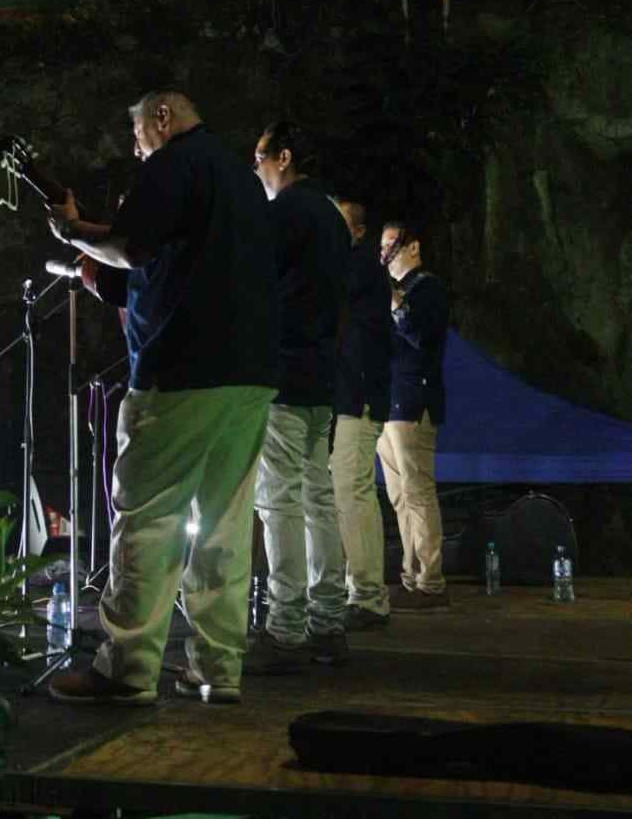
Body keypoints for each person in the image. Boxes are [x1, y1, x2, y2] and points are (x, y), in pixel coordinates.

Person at [45, 90, 278, 706]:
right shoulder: (241, 179)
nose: (135, 147)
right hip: (250, 372)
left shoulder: (173, 163)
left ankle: (125, 667)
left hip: (182, 369)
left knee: (148, 516)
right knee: (225, 524)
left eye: (138, 134)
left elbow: (132, 248)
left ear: (163, 119)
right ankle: (217, 668)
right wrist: (92, 245)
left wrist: (72, 233)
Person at [245, 122, 350, 674]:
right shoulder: (333, 218)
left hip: (283, 373)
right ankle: (329, 621)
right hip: (319, 377)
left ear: (283, 157)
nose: (256, 169)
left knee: (279, 501)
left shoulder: (284, 212)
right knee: (318, 498)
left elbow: (250, 279)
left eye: (259, 158)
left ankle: (284, 627)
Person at [376, 220, 450, 611]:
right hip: (388, 403)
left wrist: (392, 298)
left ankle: (431, 580)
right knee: (399, 495)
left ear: (413, 248)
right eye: (381, 246)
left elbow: (419, 335)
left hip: (414, 401)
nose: (383, 254)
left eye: (391, 246)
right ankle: (410, 575)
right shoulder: (394, 292)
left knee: (418, 490)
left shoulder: (429, 289)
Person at [331, 201, 393, 629]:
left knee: (352, 491)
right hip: (350, 397)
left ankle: (368, 596)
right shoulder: (359, 270)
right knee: (349, 492)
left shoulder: (359, 269)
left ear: (355, 231)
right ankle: (361, 591)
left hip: (360, 397)